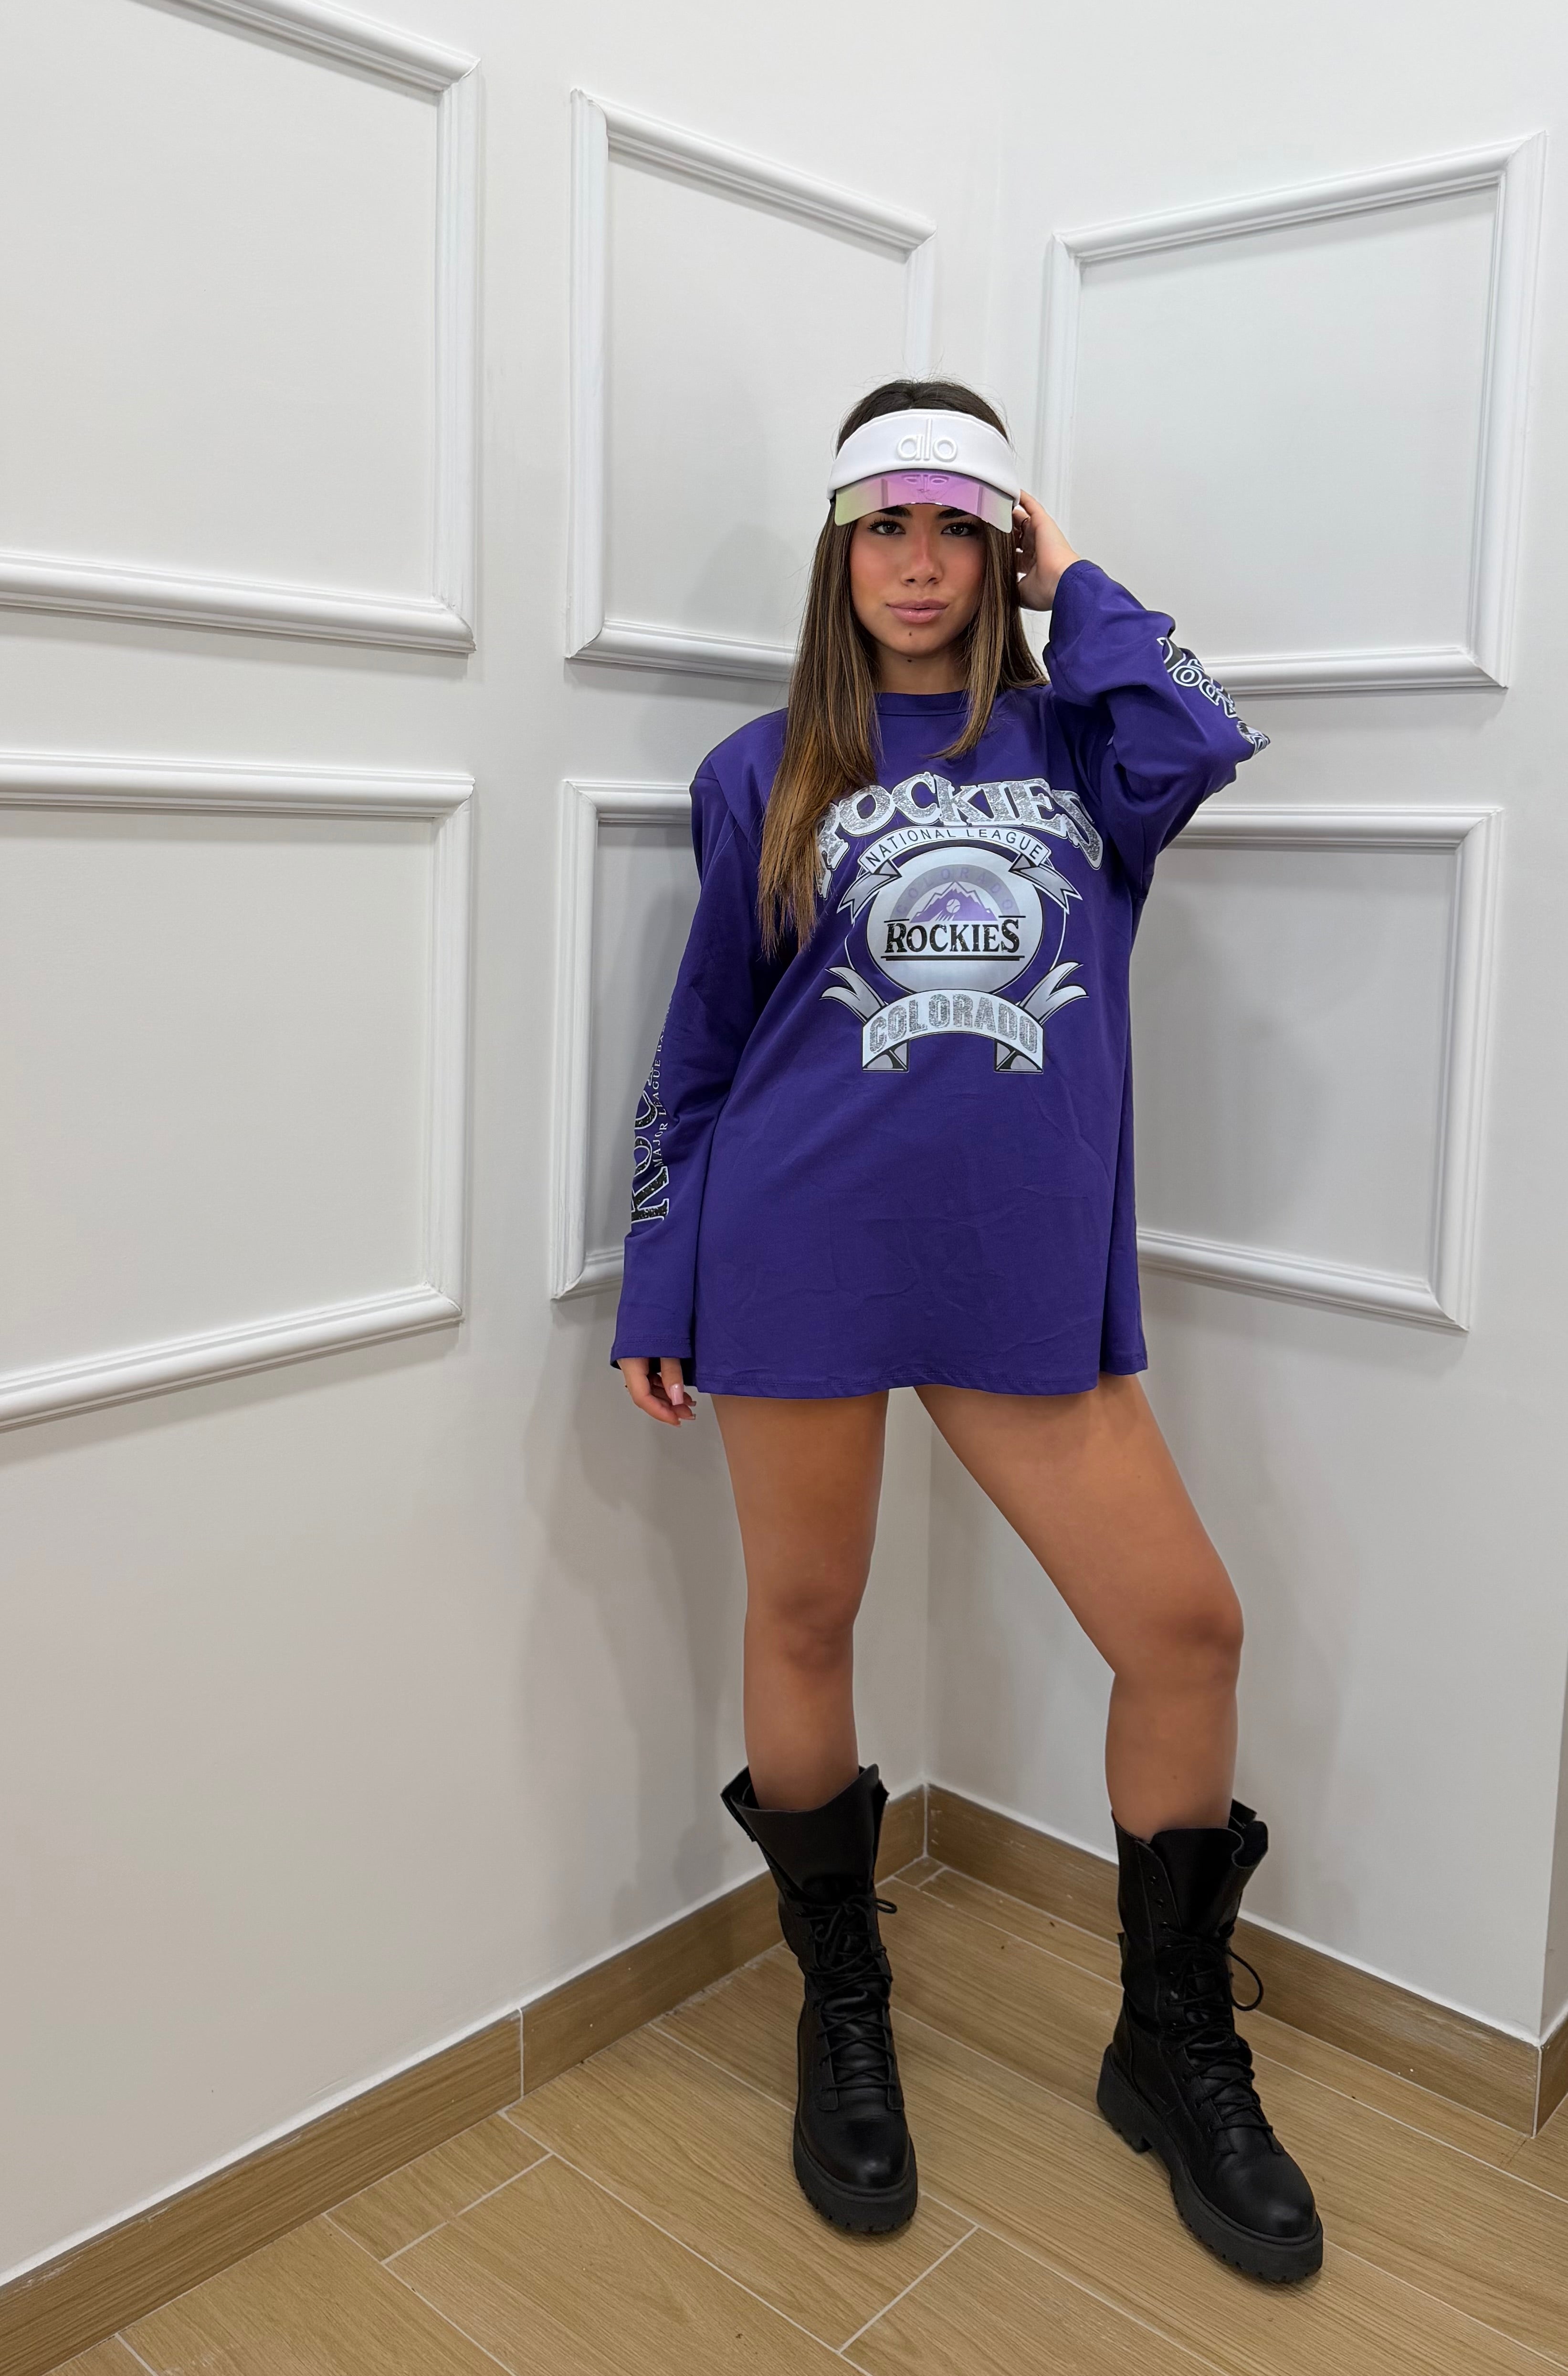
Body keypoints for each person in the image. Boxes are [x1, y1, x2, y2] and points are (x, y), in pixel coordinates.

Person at [611, 379, 1321, 2283]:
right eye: (886, 526)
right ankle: (844, 2013)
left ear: (1002, 550)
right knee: (806, 1620)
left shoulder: (1090, 746)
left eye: (959, 528)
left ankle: (1169, 2041)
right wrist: (659, 1275)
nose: (919, 564)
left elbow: (1205, 727)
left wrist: (1069, 570)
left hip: (1016, 1265)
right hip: (796, 1246)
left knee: (1184, 1628)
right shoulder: (761, 769)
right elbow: (702, 1049)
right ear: (839, 550)